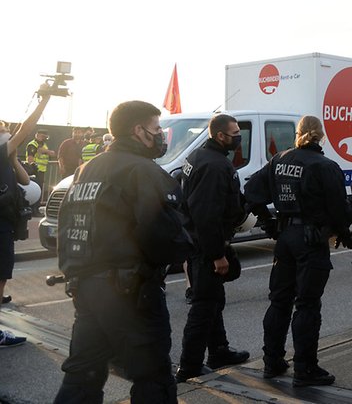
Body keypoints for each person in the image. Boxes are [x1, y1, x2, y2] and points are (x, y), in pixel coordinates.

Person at [53, 100, 192, 403]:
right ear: (138, 130)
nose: (161, 136)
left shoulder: (85, 169)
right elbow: (165, 237)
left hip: (86, 288)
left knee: (82, 374)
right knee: (153, 377)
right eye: (156, 129)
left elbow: (66, 226)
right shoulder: (141, 170)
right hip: (131, 294)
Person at [245, 116, 352, 386]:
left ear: (298, 134)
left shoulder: (279, 160)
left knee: (279, 301)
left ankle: (272, 362)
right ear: (321, 136)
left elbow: (251, 190)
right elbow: (340, 209)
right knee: (307, 305)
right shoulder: (325, 166)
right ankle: (305, 369)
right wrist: (342, 231)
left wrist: (268, 221)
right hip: (311, 240)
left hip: (285, 238)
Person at [176, 114, 250, 382]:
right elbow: (207, 214)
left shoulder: (198, 156)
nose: (238, 137)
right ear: (220, 135)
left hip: (198, 242)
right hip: (206, 246)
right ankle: (189, 365)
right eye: (235, 133)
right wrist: (217, 254)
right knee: (204, 304)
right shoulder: (215, 166)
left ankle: (219, 350)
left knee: (213, 301)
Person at [0, 95, 51, 348]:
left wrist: (12, 157)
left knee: (2, 275)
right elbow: (26, 128)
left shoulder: (5, 157)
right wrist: (45, 100)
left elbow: (24, 181)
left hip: (5, 224)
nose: (10, 136)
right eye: (5, 132)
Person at [26, 128, 55, 197]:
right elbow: (30, 159)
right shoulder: (33, 144)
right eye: (42, 136)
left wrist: (45, 151)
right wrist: (32, 170)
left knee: (39, 189)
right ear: (37, 135)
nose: (44, 138)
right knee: (35, 189)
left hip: (42, 171)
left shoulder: (44, 145)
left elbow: (53, 154)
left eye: (45, 137)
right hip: (34, 171)